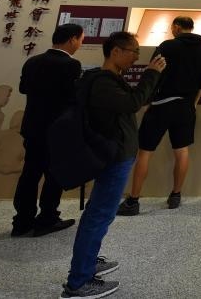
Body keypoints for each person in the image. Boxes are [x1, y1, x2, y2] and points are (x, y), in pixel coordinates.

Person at [61, 31, 165, 299]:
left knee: (98, 213)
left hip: (116, 153)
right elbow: (133, 103)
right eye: (133, 52)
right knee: (99, 215)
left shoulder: (109, 79)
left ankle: (88, 262)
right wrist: (151, 73)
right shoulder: (103, 82)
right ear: (116, 51)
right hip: (114, 155)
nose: (135, 58)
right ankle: (79, 282)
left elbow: (132, 102)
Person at [117, 16, 201, 216]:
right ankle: (176, 195)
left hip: (161, 104)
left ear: (176, 27)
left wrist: (147, 101)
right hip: (186, 106)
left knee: (145, 152)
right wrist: (193, 103)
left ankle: (133, 200)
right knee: (182, 151)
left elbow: (154, 73)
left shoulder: (167, 46)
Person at [10, 23, 84, 238]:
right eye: (80, 40)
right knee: (54, 175)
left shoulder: (33, 61)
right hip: (57, 129)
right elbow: (72, 97)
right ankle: (47, 217)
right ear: (72, 39)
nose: (80, 44)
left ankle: (22, 221)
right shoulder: (71, 65)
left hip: (33, 127)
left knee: (30, 173)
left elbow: (23, 88)